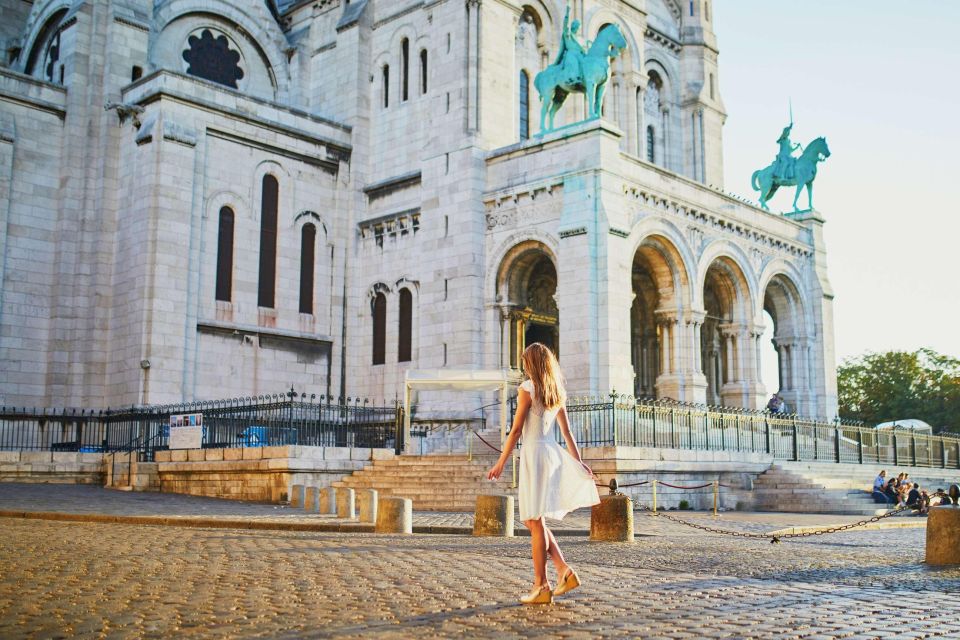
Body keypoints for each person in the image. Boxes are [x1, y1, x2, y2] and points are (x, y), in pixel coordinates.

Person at [486, 343, 600, 605]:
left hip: (534, 455)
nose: (524, 366)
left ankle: (541, 585)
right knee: (533, 520)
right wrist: (579, 462)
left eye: (526, 361)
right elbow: (568, 433)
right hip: (551, 453)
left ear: (532, 364)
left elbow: (515, 431)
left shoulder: (527, 389)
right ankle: (564, 571)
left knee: (534, 521)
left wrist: (501, 461)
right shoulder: (556, 391)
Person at [554, 5, 588, 86]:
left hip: (578, 54)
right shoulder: (568, 34)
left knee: (586, 63)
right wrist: (567, 13)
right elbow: (565, 25)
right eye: (577, 27)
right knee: (574, 62)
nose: (577, 29)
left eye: (578, 27)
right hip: (571, 54)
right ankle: (573, 79)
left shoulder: (578, 38)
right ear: (573, 26)